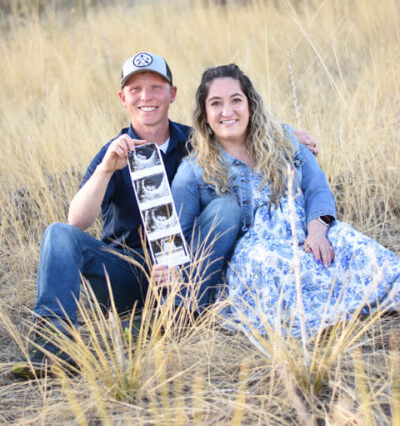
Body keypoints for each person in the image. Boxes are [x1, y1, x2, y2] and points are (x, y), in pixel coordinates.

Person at [12, 53, 318, 378]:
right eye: (136, 89)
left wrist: (285, 136)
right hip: (126, 273)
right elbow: (77, 221)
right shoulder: (114, 151)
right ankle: (51, 346)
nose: (147, 97)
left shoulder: (198, 142)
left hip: (186, 272)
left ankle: (176, 317)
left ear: (172, 94)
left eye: (156, 87)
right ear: (123, 98)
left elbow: (241, 130)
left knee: (226, 208)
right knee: (58, 233)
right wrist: (105, 169)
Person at [171, 63, 400, 338]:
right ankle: (329, 321)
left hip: (306, 233)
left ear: (251, 105)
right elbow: (178, 236)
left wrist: (317, 233)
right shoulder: (194, 170)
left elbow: (318, 190)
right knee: (278, 268)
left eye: (236, 100)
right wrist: (173, 274)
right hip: (251, 256)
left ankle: (370, 302)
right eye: (216, 103)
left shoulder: (285, 140)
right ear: (205, 114)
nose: (227, 111)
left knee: (360, 249)